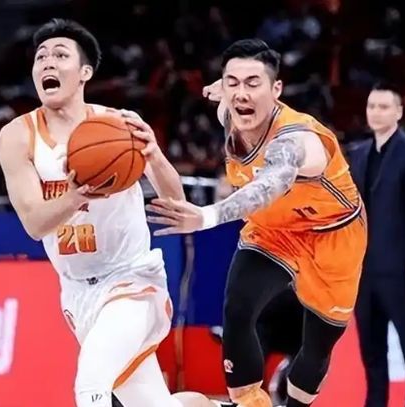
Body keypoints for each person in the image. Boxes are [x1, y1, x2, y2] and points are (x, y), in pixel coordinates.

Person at [0, 18, 215, 407]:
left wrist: (155, 155)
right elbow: (33, 224)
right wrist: (75, 197)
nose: (47, 62)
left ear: (84, 72)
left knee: (91, 381)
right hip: (78, 291)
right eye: (41, 57)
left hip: (132, 280)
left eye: (60, 55)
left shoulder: (118, 125)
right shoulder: (17, 135)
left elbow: (175, 199)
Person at [147, 39, 367, 407]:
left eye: (253, 83)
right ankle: (250, 403)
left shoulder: (296, 139)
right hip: (273, 230)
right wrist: (223, 90)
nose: (241, 93)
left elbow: (271, 185)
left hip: (332, 233)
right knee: (238, 309)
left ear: (276, 89)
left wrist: (207, 216)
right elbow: (228, 96)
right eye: (233, 82)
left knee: (318, 344)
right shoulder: (230, 112)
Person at [348, 83, 405, 407]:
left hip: (397, 266)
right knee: (371, 348)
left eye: (384, 107)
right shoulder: (358, 153)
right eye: (372, 106)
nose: (376, 112)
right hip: (361, 269)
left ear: (398, 112)